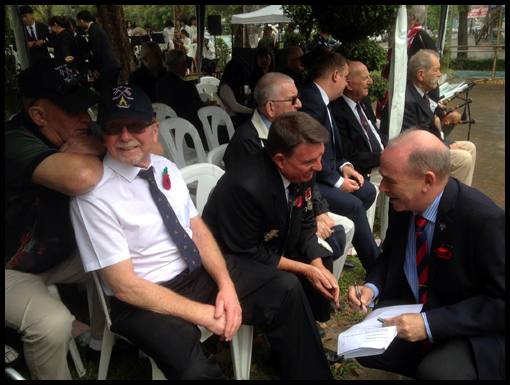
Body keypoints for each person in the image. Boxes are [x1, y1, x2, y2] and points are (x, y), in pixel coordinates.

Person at [70, 85, 335, 380]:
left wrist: (227, 286)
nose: (125, 136)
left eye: (135, 126)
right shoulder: (93, 196)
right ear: (101, 133)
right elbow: (125, 287)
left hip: (195, 274)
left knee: (286, 288)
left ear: (154, 130)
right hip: (143, 299)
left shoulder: (164, 167)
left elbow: (198, 231)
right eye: (112, 127)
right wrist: (204, 314)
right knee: (195, 369)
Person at [347, 129, 505, 380]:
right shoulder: (404, 202)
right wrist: (372, 286)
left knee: (437, 373)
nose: (383, 188)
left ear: (427, 181)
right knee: (365, 348)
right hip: (417, 305)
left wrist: (431, 325)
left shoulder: (483, 219)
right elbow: (389, 254)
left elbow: (500, 301)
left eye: (390, 180)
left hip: (464, 325)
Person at [203, 111, 344, 363]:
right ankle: (297, 349)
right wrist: (304, 270)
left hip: (269, 242)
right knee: (289, 283)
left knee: (320, 256)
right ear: (280, 159)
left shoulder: (300, 170)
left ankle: (303, 331)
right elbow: (247, 252)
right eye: (311, 160)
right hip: (228, 260)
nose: (319, 167)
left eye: (321, 156)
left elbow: (306, 221)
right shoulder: (245, 186)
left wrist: (316, 266)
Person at [5, 58, 105, 380]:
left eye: (86, 107)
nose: (86, 118)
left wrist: (97, 142)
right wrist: (97, 150)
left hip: (56, 255)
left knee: (122, 256)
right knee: (53, 323)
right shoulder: (12, 140)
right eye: (73, 109)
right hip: (9, 268)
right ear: (38, 115)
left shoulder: (82, 131)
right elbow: (81, 176)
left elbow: (152, 147)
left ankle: (102, 345)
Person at [223, 72, 355, 278]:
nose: (300, 104)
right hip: (264, 234)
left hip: (293, 216)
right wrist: (308, 227)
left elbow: (306, 184)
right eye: (292, 99)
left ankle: (326, 290)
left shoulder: (298, 139)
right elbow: (265, 206)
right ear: (270, 107)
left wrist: (318, 212)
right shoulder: (247, 144)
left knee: (340, 231)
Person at [299, 52, 379, 274]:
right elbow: (311, 154)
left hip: (327, 173)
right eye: (345, 77)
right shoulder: (311, 101)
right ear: (335, 75)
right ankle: (376, 265)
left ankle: (343, 245)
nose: (346, 83)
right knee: (354, 204)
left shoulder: (323, 100)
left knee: (367, 192)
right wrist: (337, 182)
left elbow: (334, 146)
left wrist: (344, 167)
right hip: (312, 181)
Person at [382, 49, 477, 186]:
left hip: (421, 146)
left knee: (470, 147)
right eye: (436, 70)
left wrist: (447, 143)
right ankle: (450, 201)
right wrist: (445, 146)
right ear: (420, 75)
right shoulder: (406, 100)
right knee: (463, 158)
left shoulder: (418, 92)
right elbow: (413, 141)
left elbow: (427, 132)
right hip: (408, 155)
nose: (439, 74)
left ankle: (456, 194)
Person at [330, 61, 387, 181]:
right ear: (349, 85)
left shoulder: (363, 100)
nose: (371, 82)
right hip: (366, 171)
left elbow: (374, 131)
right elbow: (349, 155)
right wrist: (381, 157)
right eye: (365, 78)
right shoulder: (336, 112)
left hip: (383, 159)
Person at [156, 49, 215, 151]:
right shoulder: (187, 87)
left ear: (165, 64)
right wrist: (208, 106)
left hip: (167, 136)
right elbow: (199, 112)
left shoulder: (158, 86)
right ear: (184, 64)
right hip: (190, 136)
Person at [77, 10, 121, 92]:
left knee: (106, 93)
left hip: (106, 67)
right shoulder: (97, 28)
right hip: (112, 65)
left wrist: (96, 69)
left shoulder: (93, 30)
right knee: (113, 93)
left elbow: (97, 51)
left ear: (82, 20)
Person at [218, 59, 252, 127]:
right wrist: (251, 111)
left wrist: (251, 95)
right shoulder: (225, 87)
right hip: (231, 119)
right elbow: (235, 106)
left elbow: (238, 98)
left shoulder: (230, 86)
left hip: (235, 117)